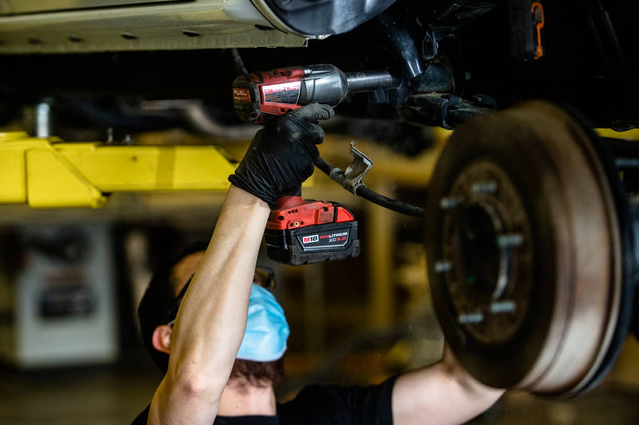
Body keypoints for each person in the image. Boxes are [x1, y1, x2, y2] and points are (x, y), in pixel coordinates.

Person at [133, 104, 504, 425]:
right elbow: (195, 384)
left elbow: (467, 385)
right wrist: (254, 188)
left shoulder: (329, 413)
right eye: (204, 284)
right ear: (168, 336)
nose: (248, 289)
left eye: (253, 277)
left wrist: (484, 268)